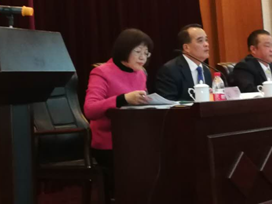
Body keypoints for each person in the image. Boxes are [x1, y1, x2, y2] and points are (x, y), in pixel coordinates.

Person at [84, 28, 151, 200]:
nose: (142, 58)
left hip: (135, 139)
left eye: (146, 53)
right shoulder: (101, 72)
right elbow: (90, 109)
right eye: (138, 52)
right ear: (124, 49)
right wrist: (122, 99)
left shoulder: (141, 74)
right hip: (109, 142)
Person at [155, 24, 212, 101]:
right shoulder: (170, 70)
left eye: (206, 40)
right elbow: (167, 103)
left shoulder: (206, 70)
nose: (206, 44)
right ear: (186, 47)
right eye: (200, 41)